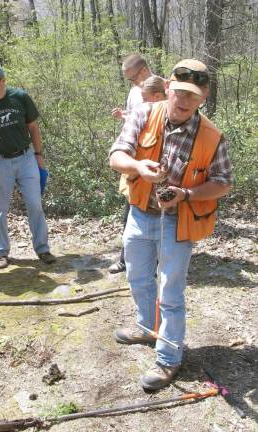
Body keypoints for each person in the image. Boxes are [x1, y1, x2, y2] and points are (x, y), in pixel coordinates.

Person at [109, 59, 232, 391]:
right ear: (167, 88)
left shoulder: (212, 136)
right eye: (178, 92)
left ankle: (168, 358)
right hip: (139, 212)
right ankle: (148, 326)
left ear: (203, 97)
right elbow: (116, 155)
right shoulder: (144, 114)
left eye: (192, 96)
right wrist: (138, 166)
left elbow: (223, 182)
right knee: (136, 276)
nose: (183, 101)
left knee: (171, 291)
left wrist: (186, 194)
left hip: (178, 221)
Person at [0, 63, 56, 269]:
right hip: (0, 162)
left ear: (2, 81)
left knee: (35, 204)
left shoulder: (20, 97)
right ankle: (1, 253)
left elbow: (33, 127)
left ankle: (43, 249)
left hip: (26, 158)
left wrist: (38, 155)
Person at [109, 54, 152, 274]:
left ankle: (152, 263)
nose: (131, 83)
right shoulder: (135, 92)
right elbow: (134, 120)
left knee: (154, 214)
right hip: (133, 162)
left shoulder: (162, 90)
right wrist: (124, 116)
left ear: (144, 71)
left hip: (154, 164)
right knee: (130, 212)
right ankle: (125, 260)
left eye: (132, 78)